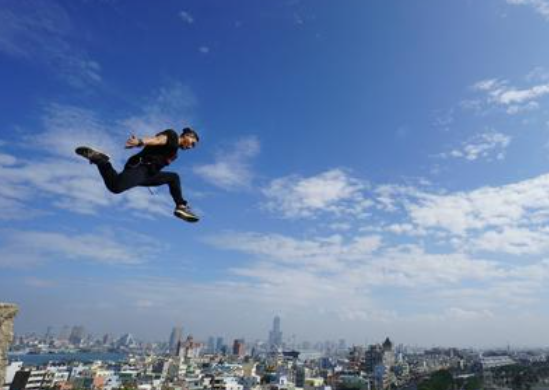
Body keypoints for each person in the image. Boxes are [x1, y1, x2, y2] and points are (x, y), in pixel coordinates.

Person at [75, 127, 200, 222]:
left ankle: (181, 207)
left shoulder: (175, 153)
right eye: (192, 143)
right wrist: (140, 142)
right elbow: (157, 140)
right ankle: (101, 160)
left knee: (173, 177)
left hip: (150, 174)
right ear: (188, 135)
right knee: (115, 187)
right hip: (141, 168)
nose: (191, 147)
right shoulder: (172, 136)